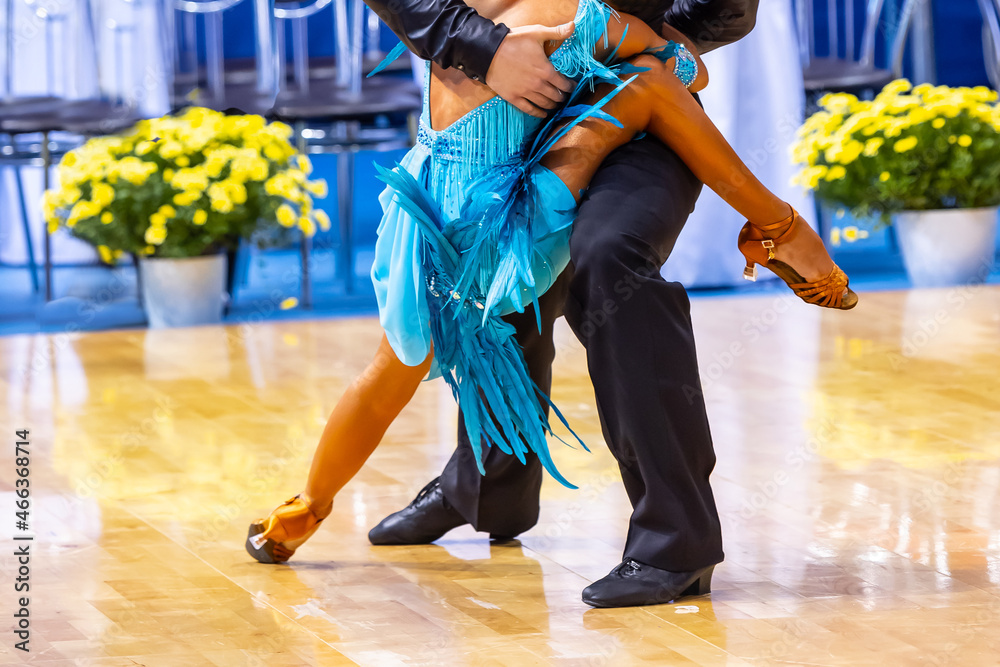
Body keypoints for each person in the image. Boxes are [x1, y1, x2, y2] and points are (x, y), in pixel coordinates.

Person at [246, 0, 856, 609]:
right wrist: (481, 43)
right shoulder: (571, 22)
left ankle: (677, 539)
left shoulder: (592, 23)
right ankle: (484, 489)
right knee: (463, 319)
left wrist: (664, 41)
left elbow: (689, 54)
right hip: (488, 171)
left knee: (606, 254)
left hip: (580, 128)